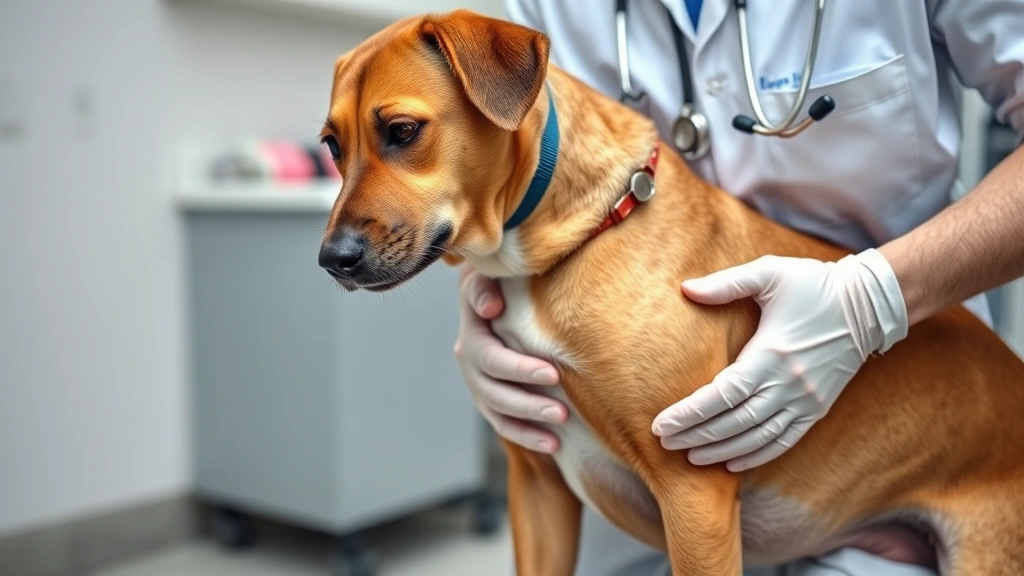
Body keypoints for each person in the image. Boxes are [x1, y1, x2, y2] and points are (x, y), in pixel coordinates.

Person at [453, 1, 1024, 574]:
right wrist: (486, 295)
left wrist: (869, 299)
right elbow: (525, 160)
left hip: (912, 438)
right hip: (640, 495)